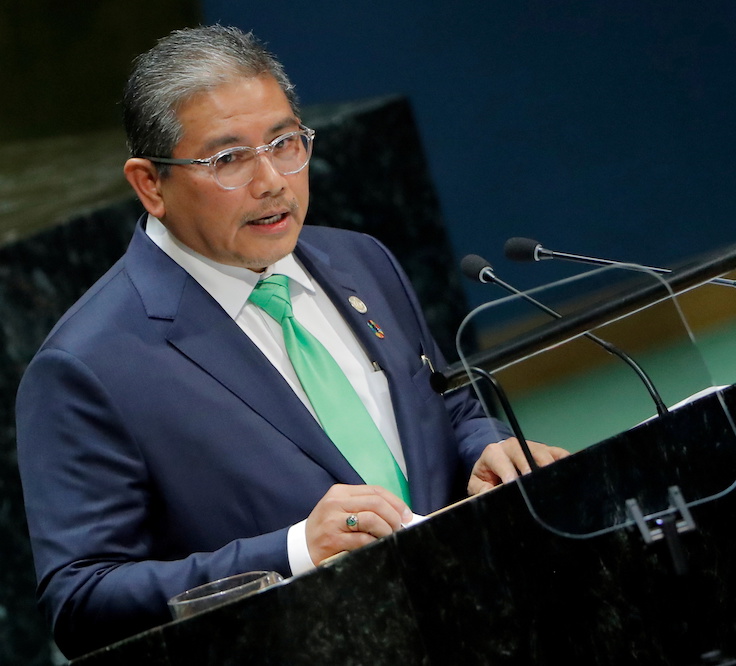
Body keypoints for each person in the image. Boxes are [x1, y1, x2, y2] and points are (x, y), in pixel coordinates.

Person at [16, 25, 567, 658]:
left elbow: (445, 409)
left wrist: (486, 449)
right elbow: (83, 599)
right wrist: (295, 550)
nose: (273, 180)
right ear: (150, 185)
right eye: (228, 160)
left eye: (285, 143)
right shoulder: (88, 366)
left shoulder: (362, 261)